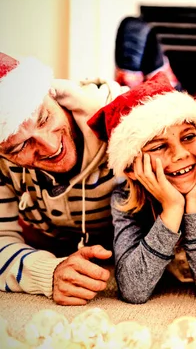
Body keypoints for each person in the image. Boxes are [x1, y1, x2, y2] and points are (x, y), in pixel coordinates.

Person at [87, 74, 196, 303]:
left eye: (189, 137)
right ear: (130, 169)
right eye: (159, 146)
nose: (180, 154)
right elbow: (133, 290)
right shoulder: (126, 199)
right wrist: (172, 209)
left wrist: (195, 207)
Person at [0, 52, 126, 305]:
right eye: (18, 146)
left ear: (51, 93)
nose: (49, 146)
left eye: (45, 118)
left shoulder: (125, 114)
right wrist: (48, 272)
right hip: (50, 240)